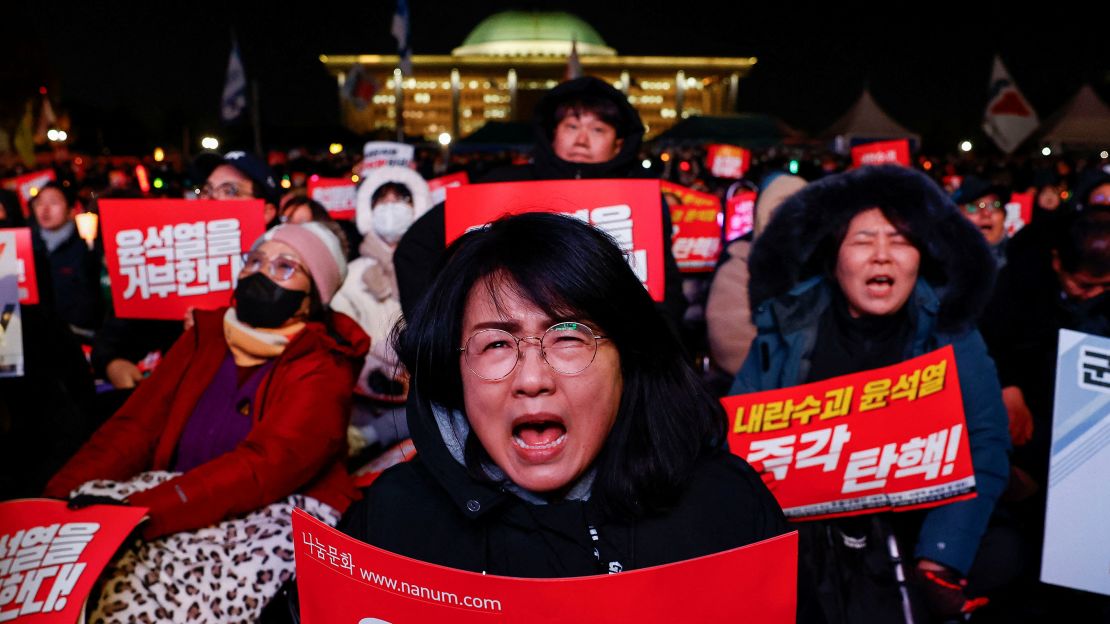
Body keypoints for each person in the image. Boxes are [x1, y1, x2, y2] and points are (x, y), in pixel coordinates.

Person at [342, 212, 787, 577]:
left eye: (569, 337)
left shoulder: (727, 508)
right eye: (496, 343)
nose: (532, 379)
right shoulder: (391, 526)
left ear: (627, 356)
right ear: (453, 370)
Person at [43, 222, 368, 623]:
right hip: (171, 496)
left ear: (312, 298)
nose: (262, 274)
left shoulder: (324, 362)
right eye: (255, 261)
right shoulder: (206, 335)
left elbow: (265, 465)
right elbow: (134, 427)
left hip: (268, 517)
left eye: (286, 267)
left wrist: (143, 512)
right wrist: (51, 505)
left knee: (130, 598)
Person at [730, 165, 1010, 623]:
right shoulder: (787, 326)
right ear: (834, 257)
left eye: (900, 240)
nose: (882, 256)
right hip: (807, 545)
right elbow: (736, 446)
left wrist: (942, 556)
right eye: (863, 240)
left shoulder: (951, 332)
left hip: (912, 535)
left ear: (921, 256)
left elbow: (986, 442)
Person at [393, 76, 686, 331]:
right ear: (553, 133)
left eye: (598, 130)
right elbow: (416, 248)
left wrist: (660, 349)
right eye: (571, 126)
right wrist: (437, 329)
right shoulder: (502, 186)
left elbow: (666, 288)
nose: (582, 139)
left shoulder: (640, 199)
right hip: (514, 345)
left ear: (619, 142)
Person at [93, 151, 280, 392]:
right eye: (208, 189)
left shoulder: (284, 272)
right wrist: (113, 363)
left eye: (230, 191)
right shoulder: (175, 262)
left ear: (267, 212)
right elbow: (114, 335)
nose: (211, 199)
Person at [331, 166, 432, 459]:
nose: (391, 208)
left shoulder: (437, 267)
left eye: (401, 199)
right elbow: (343, 337)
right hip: (367, 403)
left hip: (426, 395)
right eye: (382, 201)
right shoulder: (351, 274)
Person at [29, 181, 103, 338]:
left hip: (80, 335)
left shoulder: (87, 244)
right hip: (40, 336)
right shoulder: (27, 244)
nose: (45, 209)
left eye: (54, 202)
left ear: (71, 209)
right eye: (39, 203)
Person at [952, 176, 1010, 268]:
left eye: (994, 205)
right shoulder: (939, 268)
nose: (986, 213)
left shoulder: (1023, 262)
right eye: (972, 207)